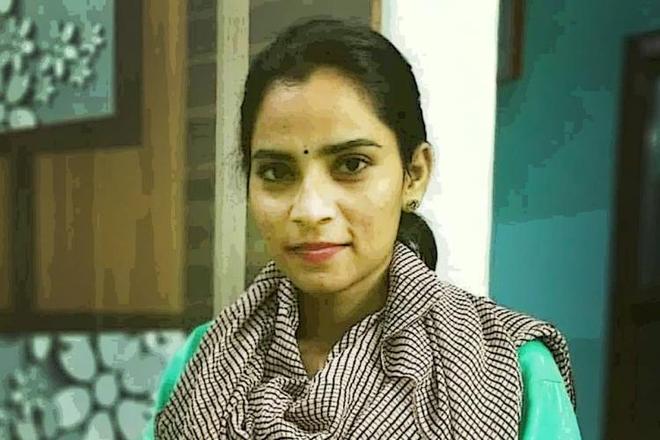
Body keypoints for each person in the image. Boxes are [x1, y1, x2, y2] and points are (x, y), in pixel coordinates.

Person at [145, 18, 581, 439]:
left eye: (351, 164)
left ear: (414, 174)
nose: (310, 210)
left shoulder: (509, 370)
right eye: (277, 171)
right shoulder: (201, 362)